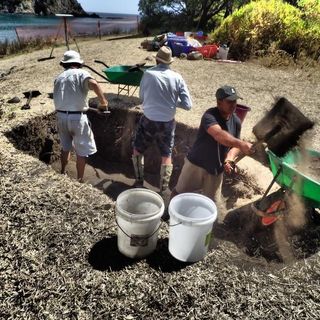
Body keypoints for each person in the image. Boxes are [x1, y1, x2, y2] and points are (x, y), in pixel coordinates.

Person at [171, 85, 254, 208]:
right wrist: (241, 144)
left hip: (216, 169)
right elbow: (218, 134)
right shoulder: (209, 116)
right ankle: (169, 213)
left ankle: (207, 225)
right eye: (229, 101)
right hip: (196, 164)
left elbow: (234, 145)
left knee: (211, 204)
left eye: (235, 101)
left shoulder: (236, 121)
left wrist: (229, 158)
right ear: (219, 102)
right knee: (179, 193)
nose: (233, 104)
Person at [132, 46, 192, 194]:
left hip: (148, 120)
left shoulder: (148, 74)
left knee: (137, 149)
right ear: (170, 62)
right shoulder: (177, 77)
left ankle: (139, 182)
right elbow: (188, 105)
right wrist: (172, 102)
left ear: (157, 59)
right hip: (167, 123)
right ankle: (163, 189)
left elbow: (141, 98)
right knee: (166, 155)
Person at [53, 50, 108, 182]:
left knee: (65, 147)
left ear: (64, 64)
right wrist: (103, 102)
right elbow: (94, 84)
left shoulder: (59, 78)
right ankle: (79, 180)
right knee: (81, 152)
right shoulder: (82, 73)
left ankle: (62, 172)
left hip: (61, 117)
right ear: (78, 63)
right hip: (77, 119)